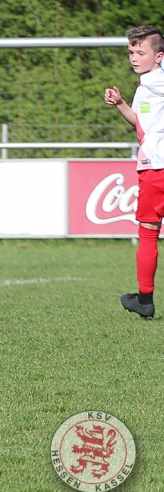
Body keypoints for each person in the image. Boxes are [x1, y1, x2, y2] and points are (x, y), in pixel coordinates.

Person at [104, 25, 164, 319]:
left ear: (159, 56)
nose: (134, 58)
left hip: (155, 168)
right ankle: (143, 300)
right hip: (153, 165)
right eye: (131, 52)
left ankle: (145, 300)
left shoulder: (156, 82)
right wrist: (120, 104)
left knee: (149, 233)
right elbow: (139, 123)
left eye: (141, 52)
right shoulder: (144, 88)